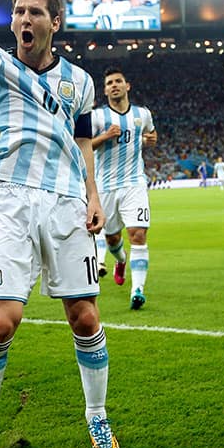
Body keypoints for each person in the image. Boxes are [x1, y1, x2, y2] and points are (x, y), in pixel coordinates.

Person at [0, 0, 116, 448]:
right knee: (2, 321)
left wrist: (94, 196)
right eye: (18, 11)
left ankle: (98, 419)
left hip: (66, 202)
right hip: (12, 198)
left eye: (35, 12)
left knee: (85, 316)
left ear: (54, 23)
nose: (24, 19)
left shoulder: (80, 83)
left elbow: (84, 144)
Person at [90, 66, 157, 310]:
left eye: (118, 81)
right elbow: (84, 147)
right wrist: (105, 136)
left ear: (127, 86)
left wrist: (151, 140)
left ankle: (137, 290)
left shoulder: (143, 114)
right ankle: (120, 260)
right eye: (109, 83)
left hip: (134, 184)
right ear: (105, 90)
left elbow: (151, 135)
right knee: (112, 238)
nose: (114, 85)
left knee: (138, 235)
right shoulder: (97, 117)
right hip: (105, 187)